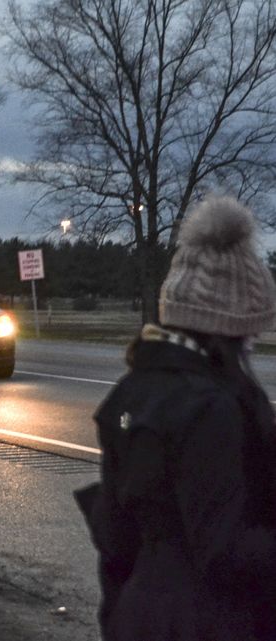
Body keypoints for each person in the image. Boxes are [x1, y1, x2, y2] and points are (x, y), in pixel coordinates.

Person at [80, 195, 276, 640]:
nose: (252, 347)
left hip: (141, 617)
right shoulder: (212, 408)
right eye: (250, 335)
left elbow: (114, 543)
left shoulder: (134, 391)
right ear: (226, 331)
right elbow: (223, 551)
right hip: (209, 623)